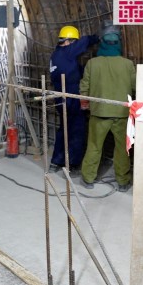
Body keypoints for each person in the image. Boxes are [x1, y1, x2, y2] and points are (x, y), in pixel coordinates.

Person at [79, 25, 135, 191]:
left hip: (99, 113)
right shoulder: (128, 64)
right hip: (122, 114)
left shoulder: (92, 64)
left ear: (102, 42)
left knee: (94, 146)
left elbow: (84, 87)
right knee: (122, 149)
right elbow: (135, 86)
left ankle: (88, 178)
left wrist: (85, 104)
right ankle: (123, 181)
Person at [48, 25, 99, 174]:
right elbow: (85, 41)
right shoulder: (67, 52)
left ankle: (56, 161)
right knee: (77, 129)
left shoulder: (56, 55)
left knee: (64, 128)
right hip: (71, 97)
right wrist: (97, 37)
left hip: (60, 97)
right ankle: (72, 164)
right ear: (69, 41)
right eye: (74, 42)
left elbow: (75, 71)